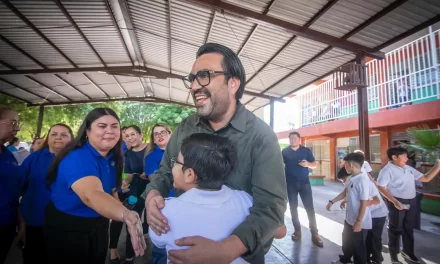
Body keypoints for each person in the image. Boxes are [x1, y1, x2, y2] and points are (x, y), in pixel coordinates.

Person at [143, 43, 287, 263]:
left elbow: (271, 209)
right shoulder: (186, 127)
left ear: (233, 83)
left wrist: (226, 250)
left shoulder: (261, 136)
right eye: (191, 79)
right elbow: (164, 171)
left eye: (204, 76)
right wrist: (153, 196)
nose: (193, 86)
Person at [44, 108, 146, 264]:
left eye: (115, 126)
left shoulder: (114, 157)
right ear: (87, 131)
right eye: (102, 126)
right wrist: (126, 215)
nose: (110, 131)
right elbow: (92, 195)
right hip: (69, 227)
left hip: (99, 224)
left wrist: (118, 206)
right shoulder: (78, 157)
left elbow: (111, 190)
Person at [19, 123, 73, 263]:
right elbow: (18, 188)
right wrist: (21, 222)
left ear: (71, 139)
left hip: (67, 225)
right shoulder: (33, 158)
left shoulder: (77, 160)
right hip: (35, 222)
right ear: (48, 138)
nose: (58, 138)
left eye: (63, 135)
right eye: (54, 134)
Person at [377, 147, 440, 264]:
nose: (407, 158)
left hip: (412, 201)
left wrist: (438, 166)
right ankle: (394, 256)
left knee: (408, 229)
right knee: (395, 229)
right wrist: (395, 201)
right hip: (396, 202)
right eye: (404, 156)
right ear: (394, 157)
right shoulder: (387, 170)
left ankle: (408, 252)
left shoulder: (408, 168)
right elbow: (380, 187)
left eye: (406, 155)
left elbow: (425, 178)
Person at [327, 153, 379, 264]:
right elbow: (345, 192)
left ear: (350, 164)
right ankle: (345, 260)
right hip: (349, 219)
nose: (344, 166)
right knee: (347, 243)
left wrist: (359, 221)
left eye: (345, 164)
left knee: (358, 249)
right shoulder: (351, 178)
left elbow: (364, 202)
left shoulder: (363, 181)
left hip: (359, 221)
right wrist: (332, 202)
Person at [111, 125, 149, 264]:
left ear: (140, 134)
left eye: (133, 134)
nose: (130, 138)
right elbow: (128, 174)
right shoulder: (128, 154)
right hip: (135, 192)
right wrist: (124, 182)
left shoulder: (151, 149)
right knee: (132, 219)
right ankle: (129, 256)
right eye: (126, 136)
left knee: (151, 222)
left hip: (153, 191)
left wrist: (151, 175)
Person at [337, 165, 388, 264]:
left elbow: (376, 200)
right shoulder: (352, 181)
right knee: (359, 241)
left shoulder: (364, 182)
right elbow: (350, 194)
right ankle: (360, 259)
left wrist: (361, 204)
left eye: (343, 180)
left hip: (377, 214)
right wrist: (346, 201)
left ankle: (376, 260)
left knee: (373, 240)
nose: (343, 183)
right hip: (365, 215)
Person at [281, 131, 323, 247]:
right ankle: (297, 230)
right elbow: (279, 166)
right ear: (289, 140)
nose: (293, 140)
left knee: (310, 208)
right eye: (291, 138)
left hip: (304, 183)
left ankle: (315, 234)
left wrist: (308, 164)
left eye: (295, 138)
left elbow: (314, 164)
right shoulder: (284, 152)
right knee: (293, 207)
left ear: (299, 139)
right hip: (290, 184)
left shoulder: (306, 151)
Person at [143, 123, 173, 264]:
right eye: (156, 134)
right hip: (163, 206)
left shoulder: (181, 152)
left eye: (163, 132)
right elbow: (155, 180)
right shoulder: (152, 156)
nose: (160, 135)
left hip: (184, 203)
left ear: (170, 134)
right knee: (161, 248)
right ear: (153, 140)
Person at [0, 105, 22, 263]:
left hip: (7, 224)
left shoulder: (8, 154)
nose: (17, 128)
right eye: (12, 123)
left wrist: (21, 222)